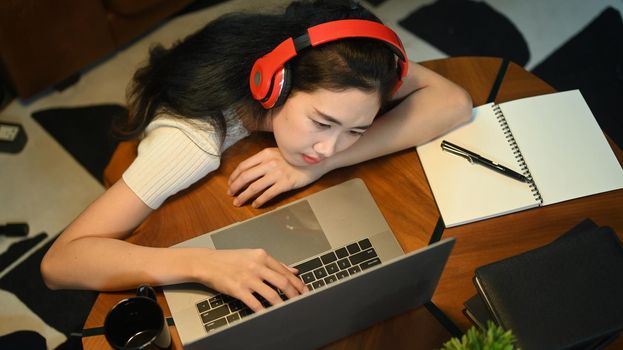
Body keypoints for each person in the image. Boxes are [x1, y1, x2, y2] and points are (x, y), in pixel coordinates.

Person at [40, 0, 472, 313]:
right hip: (179, 106)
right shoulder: (191, 143)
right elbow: (59, 264)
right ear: (274, 84)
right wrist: (201, 264)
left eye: (357, 129)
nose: (333, 145)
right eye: (322, 123)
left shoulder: (342, 58)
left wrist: (323, 164)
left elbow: (454, 102)